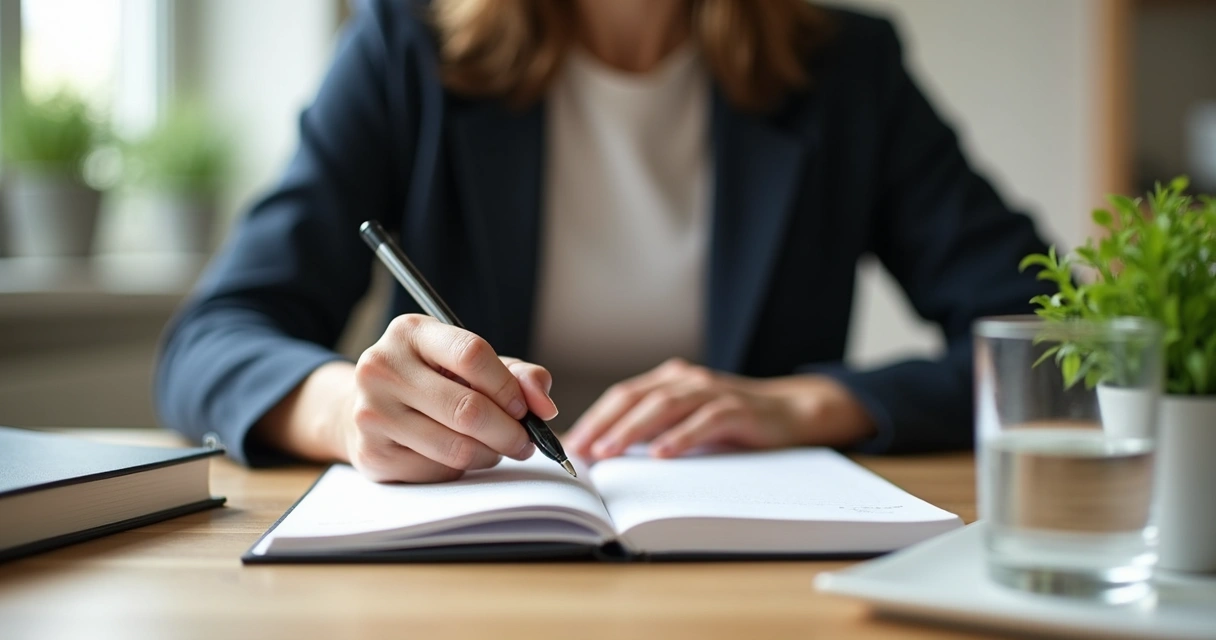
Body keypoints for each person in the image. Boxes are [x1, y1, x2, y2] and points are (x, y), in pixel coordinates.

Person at [156, 0, 1052, 483]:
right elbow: (212, 340)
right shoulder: (405, 46)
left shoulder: (847, 70)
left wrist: (815, 405)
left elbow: (1050, 336)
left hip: (758, 581)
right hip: (454, 579)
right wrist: (348, 412)